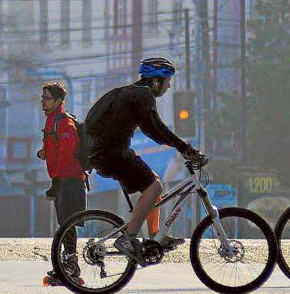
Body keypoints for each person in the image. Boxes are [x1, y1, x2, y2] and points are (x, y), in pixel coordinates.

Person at [85, 58, 205, 264]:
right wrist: (186, 149)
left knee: (153, 181)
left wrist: (181, 148)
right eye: (167, 81)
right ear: (155, 81)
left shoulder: (131, 92)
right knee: (155, 188)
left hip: (106, 153)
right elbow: (157, 129)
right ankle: (129, 238)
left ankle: (155, 235)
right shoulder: (143, 95)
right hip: (113, 154)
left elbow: (153, 131)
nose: (169, 86)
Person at [37, 80, 85, 283]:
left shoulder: (64, 122)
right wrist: (44, 152)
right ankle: (66, 265)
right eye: (42, 98)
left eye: (47, 98)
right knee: (64, 223)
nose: (43, 102)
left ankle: (71, 265)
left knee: (67, 223)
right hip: (61, 179)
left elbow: (68, 152)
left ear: (58, 101)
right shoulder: (52, 120)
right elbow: (56, 148)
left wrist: (57, 180)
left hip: (70, 180)